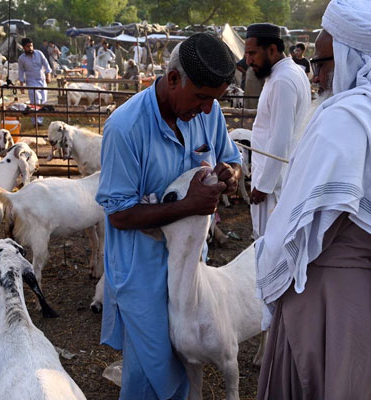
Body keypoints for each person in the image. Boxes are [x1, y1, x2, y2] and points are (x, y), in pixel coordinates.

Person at [255, 1, 371, 399]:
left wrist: (270, 259)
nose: (316, 75)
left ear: (351, 57)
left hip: (327, 299)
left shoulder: (347, 117)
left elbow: (301, 226)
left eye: (321, 62)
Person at [95, 33, 242, 400]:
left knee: (189, 355)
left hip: (192, 263)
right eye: (202, 98)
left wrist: (230, 173)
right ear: (174, 79)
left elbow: (233, 158)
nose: (208, 110)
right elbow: (119, 215)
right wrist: (187, 205)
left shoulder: (209, 112)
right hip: (143, 271)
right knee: (151, 370)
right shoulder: (124, 128)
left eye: (215, 100)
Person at [244, 23, 311, 241]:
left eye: (252, 53)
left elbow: (281, 137)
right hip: (276, 179)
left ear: (272, 49)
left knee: (269, 246)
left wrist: (263, 185)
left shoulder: (283, 79)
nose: (248, 60)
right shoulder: (284, 74)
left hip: (274, 187)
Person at [17, 37, 51, 126]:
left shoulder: (39, 53)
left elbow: (46, 64)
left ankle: (40, 119)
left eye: (31, 46)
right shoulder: (22, 58)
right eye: (28, 46)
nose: (30, 48)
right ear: (24, 47)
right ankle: (36, 122)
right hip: (31, 81)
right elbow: (21, 71)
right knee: (35, 100)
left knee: (43, 101)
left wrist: (48, 75)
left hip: (42, 80)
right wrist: (21, 84)